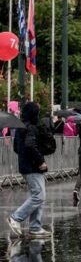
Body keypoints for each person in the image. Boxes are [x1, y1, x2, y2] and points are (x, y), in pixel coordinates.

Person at [7, 102, 51, 239]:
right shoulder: (31, 128)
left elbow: (16, 148)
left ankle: (35, 227)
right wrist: (40, 161)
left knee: (38, 195)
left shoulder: (21, 127)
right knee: (39, 196)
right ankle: (16, 217)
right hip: (33, 166)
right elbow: (31, 145)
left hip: (26, 165)